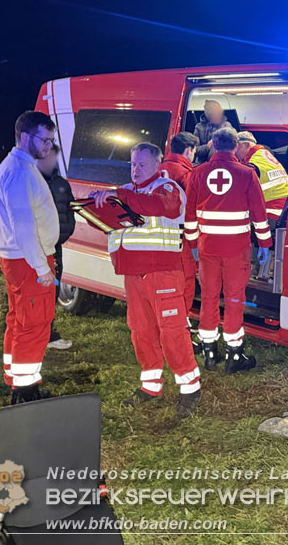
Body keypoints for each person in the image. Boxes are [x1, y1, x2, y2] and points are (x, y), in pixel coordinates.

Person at [90, 142, 201, 419]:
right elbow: (100, 221)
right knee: (141, 330)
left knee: (172, 331)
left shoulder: (167, 188)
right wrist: (95, 205)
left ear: (157, 164)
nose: (135, 170)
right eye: (132, 164)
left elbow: (156, 206)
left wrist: (117, 195)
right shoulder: (126, 192)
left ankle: (190, 387)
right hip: (132, 274)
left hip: (163, 271)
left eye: (141, 164)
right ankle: (151, 386)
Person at [183, 127, 272, 373]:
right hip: (236, 249)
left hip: (207, 247)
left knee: (209, 297)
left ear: (212, 144)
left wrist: (192, 244)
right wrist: (265, 244)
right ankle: (235, 354)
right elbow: (259, 213)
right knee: (234, 298)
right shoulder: (246, 173)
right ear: (235, 146)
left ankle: (209, 352)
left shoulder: (197, 173)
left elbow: (189, 215)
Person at [0, 111, 59, 404]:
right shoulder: (18, 172)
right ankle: (26, 391)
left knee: (19, 319)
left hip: (20, 259)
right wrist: (42, 266)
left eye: (52, 141)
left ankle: (15, 377)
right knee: (34, 322)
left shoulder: (18, 167)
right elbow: (24, 225)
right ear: (26, 137)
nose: (49, 147)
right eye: (45, 140)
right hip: (29, 260)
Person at [159, 132, 201, 352]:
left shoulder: (156, 168)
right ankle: (179, 334)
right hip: (180, 238)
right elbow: (194, 205)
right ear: (189, 150)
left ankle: (163, 329)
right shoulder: (186, 173)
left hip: (157, 238)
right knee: (184, 283)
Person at [35, 144, 74, 350]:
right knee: (33, 292)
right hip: (34, 247)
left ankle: (48, 332)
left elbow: (70, 215)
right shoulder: (31, 183)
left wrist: (59, 238)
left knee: (53, 289)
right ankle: (34, 332)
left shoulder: (62, 185)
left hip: (54, 247)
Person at [235, 131, 288, 225]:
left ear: (245, 145)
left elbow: (239, 193)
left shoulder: (254, 163)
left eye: (236, 147)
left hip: (272, 212)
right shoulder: (263, 154)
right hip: (284, 209)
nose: (234, 152)